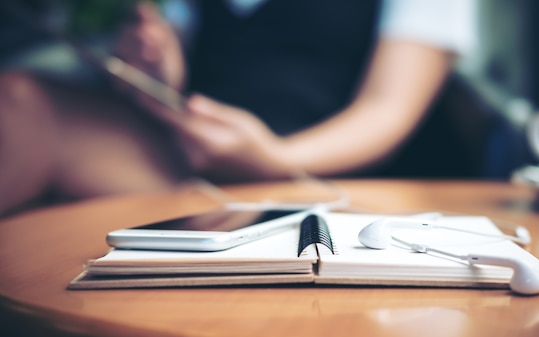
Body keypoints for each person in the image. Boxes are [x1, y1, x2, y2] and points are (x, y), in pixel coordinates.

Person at [0, 0, 476, 216]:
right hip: (195, 167)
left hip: (328, 188)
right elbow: (184, 74)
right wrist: (157, 68)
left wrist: (275, 158)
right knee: (20, 103)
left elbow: (387, 111)